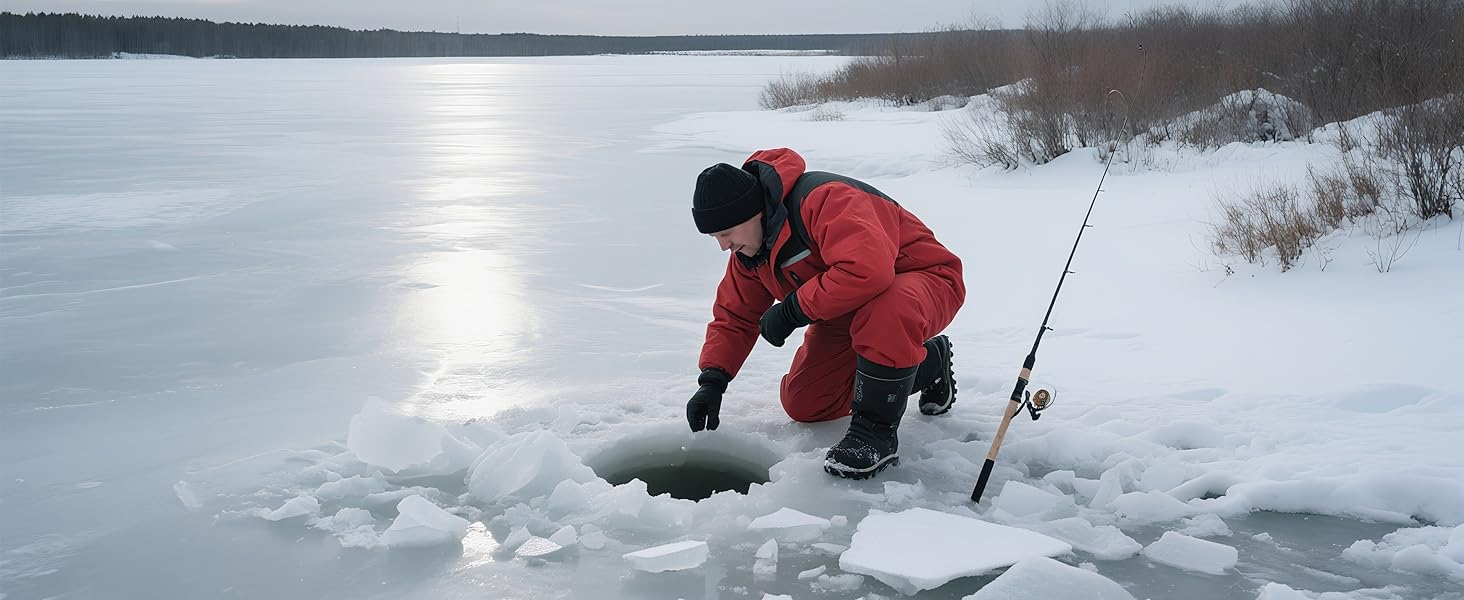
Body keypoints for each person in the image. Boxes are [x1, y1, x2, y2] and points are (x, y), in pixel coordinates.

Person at [684, 147, 966, 479]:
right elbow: (734, 316)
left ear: (753, 213)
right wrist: (713, 381)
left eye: (726, 234)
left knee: (888, 309)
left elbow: (868, 272)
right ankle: (929, 362)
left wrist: (791, 310)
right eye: (715, 237)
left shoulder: (824, 200)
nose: (723, 246)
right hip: (846, 309)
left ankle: (874, 434)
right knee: (805, 402)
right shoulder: (752, 254)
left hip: (923, 280)